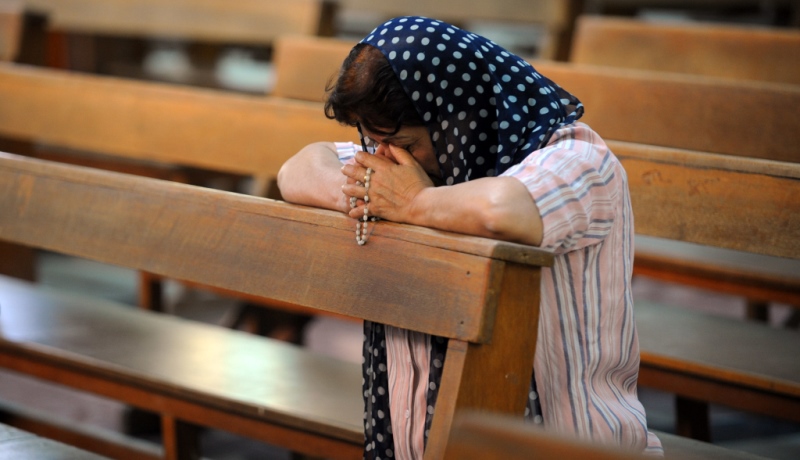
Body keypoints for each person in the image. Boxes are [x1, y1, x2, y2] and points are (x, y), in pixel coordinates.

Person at [277, 16, 663, 459]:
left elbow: (501, 211)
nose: (382, 156)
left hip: (568, 445)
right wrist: (373, 193)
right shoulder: (415, 163)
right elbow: (298, 170)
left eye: (400, 141)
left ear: (458, 120)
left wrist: (412, 204)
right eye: (371, 141)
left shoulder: (577, 159)